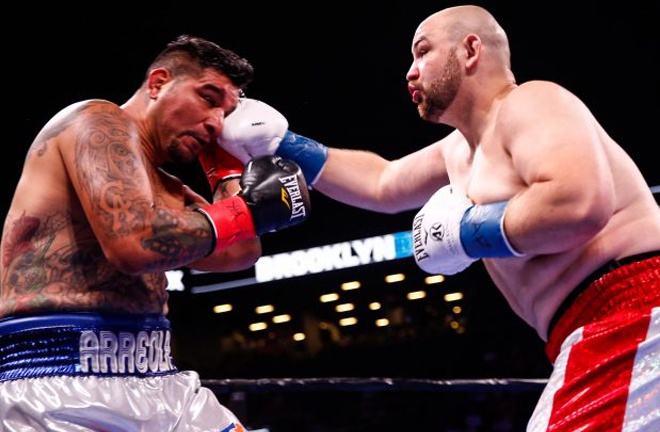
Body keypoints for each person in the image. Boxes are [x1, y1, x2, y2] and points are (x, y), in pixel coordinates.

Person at [211, 5, 660, 432]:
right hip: (586, 332)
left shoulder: (531, 103)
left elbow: (579, 205)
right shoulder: (459, 151)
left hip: (633, 312)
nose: (410, 70)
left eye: (423, 51)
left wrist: (466, 234)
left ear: (470, 50)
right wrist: (283, 142)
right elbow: (382, 183)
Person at [0, 35, 310, 431]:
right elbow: (134, 245)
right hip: (59, 380)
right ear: (159, 82)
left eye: (227, 114)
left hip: (159, 375)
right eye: (209, 98)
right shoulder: (94, 120)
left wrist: (225, 165)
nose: (216, 122)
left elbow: (241, 250)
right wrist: (248, 209)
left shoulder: (166, 188)